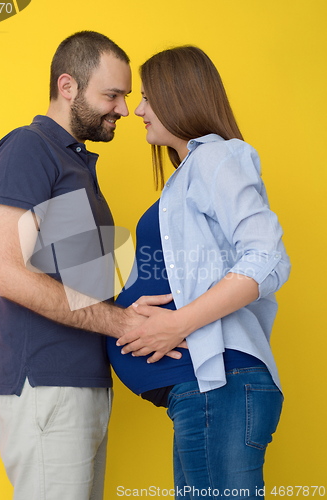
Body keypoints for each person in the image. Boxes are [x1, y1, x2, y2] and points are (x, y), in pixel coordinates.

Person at [0, 31, 174, 500]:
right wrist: (123, 321)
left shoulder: (77, 167)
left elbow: (85, 283)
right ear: (67, 86)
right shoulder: (27, 149)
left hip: (82, 385)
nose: (124, 110)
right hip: (47, 383)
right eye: (112, 95)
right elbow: (6, 272)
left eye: (126, 97)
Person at [107, 46, 291, 499]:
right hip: (203, 394)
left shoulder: (218, 158)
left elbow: (266, 257)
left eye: (148, 96)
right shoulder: (187, 174)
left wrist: (175, 324)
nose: (137, 109)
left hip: (219, 386)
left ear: (178, 95)